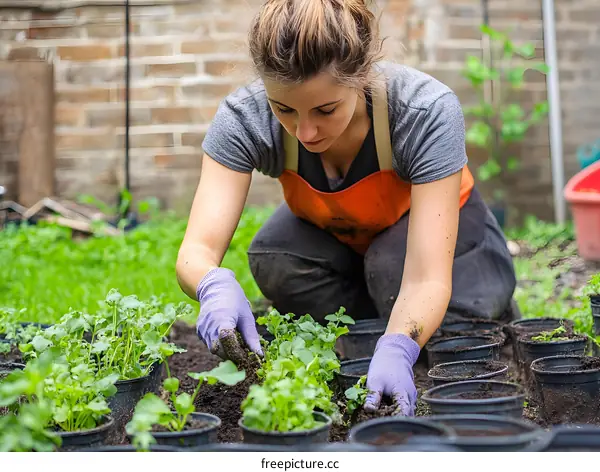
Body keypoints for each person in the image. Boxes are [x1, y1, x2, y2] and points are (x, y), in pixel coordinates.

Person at [175, 0, 517, 416]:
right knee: (275, 256)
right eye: (284, 109)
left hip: (440, 239)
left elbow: (425, 276)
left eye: (325, 109)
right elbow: (196, 251)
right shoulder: (244, 118)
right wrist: (212, 284)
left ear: (361, 77)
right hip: (346, 233)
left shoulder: (423, 111)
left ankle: (445, 321)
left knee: (392, 267)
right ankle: (372, 330)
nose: (305, 132)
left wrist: (398, 345)